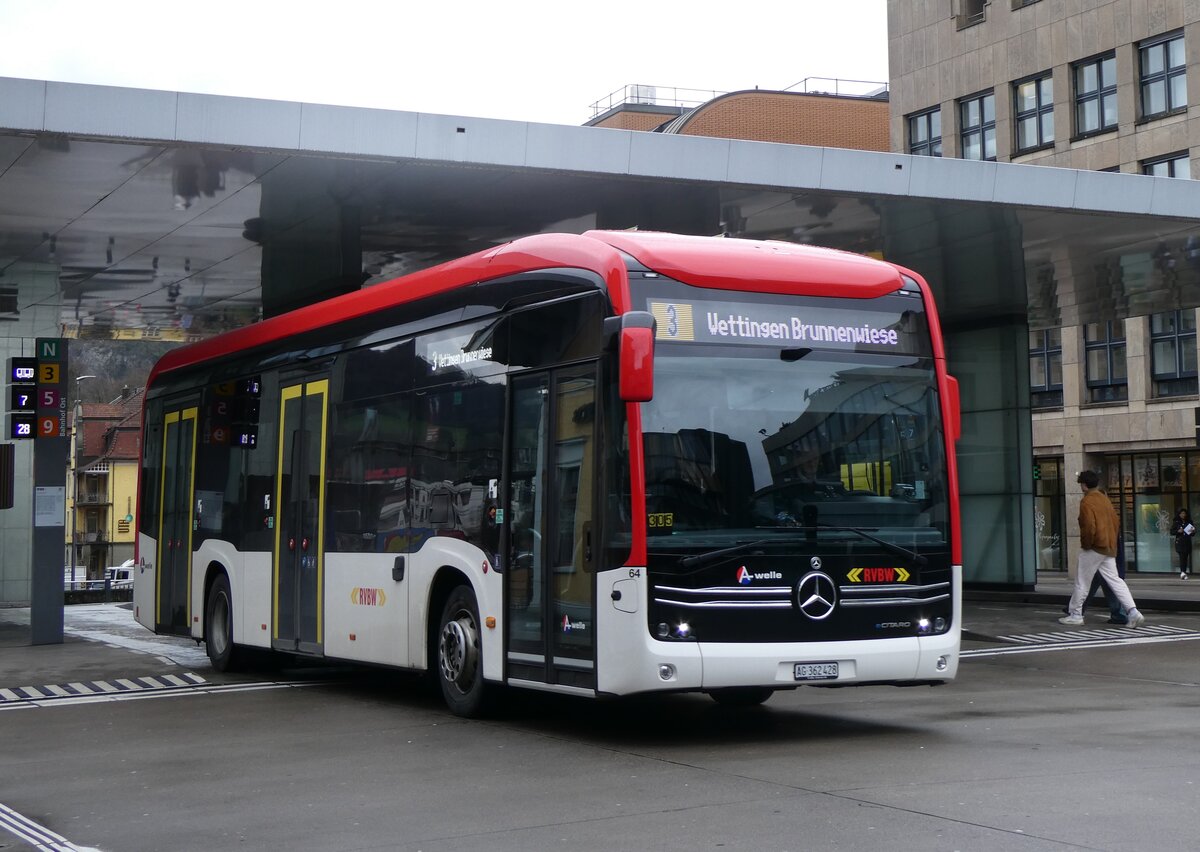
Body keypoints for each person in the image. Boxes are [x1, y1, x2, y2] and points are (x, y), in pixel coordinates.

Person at [1059, 470, 1145, 628]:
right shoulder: (1105, 499)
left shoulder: (1087, 501)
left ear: (1084, 485)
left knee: (1082, 581)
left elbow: (1088, 526)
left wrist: (1087, 544)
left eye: (1081, 484)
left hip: (1095, 547)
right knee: (1116, 581)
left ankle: (1076, 614)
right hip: (1108, 547)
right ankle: (1133, 612)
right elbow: (1116, 522)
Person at [1170, 507, 1194, 580]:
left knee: (1185, 557)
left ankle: (1184, 572)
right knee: (1182, 557)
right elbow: (1172, 532)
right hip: (1180, 542)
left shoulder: (1189, 522)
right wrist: (1178, 531)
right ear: (1179, 514)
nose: (1183, 515)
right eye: (1181, 513)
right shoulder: (1176, 522)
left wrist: (1192, 531)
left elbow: (1193, 533)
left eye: (1184, 513)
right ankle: (1183, 572)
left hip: (1187, 541)